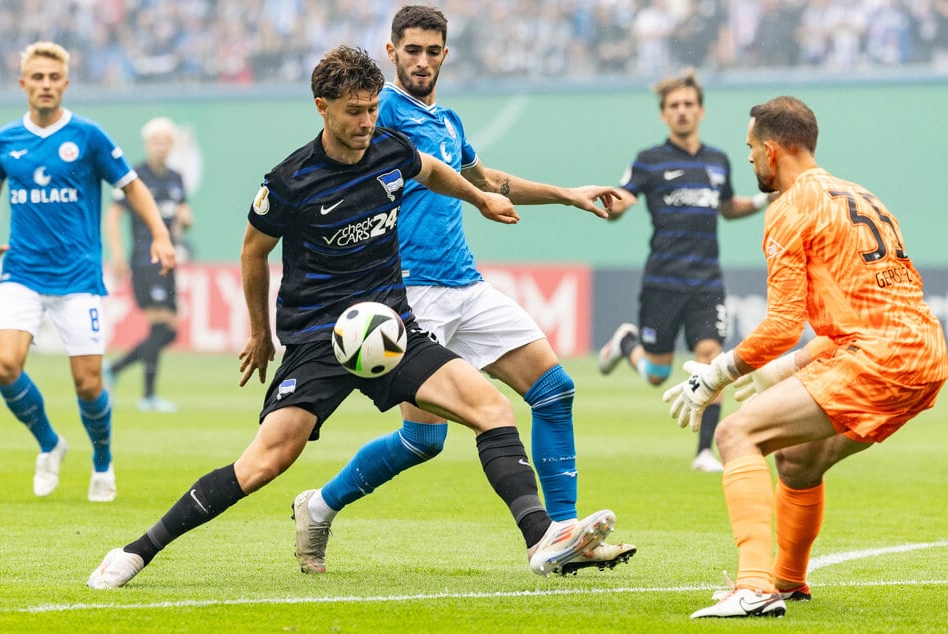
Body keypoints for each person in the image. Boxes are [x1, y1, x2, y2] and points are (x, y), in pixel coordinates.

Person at [87, 45, 618, 589]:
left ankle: (541, 539)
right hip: (319, 337)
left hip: (391, 329)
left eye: (370, 109)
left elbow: (433, 170)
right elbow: (252, 252)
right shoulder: (290, 181)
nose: (366, 122)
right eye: (353, 112)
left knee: (492, 408)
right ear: (323, 107)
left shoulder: (389, 148)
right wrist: (259, 332)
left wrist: (479, 199)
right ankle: (137, 551)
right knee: (264, 463)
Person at [294, 5, 635, 578]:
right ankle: (320, 504)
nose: (422, 61)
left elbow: (486, 181)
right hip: (408, 295)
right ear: (391, 52)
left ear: (445, 55)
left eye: (432, 51)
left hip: (466, 286)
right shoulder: (380, 119)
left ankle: (565, 533)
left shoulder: (448, 122)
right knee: (422, 440)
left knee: (554, 389)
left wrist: (566, 193)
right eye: (411, 51)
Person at [661, 95, 947, 618]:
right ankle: (788, 580)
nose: (748, 159)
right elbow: (860, 312)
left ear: (772, 150)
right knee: (797, 459)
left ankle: (752, 587)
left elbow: (780, 326)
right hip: (925, 354)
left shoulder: (789, 207)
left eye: (751, 148)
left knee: (735, 434)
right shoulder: (863, 195)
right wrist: (782, 368)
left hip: (879, 355)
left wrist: (716, 376)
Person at [0, 42, 175, 502]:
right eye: (37, 77)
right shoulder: (6, 142)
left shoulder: (89, 135)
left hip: (77, 277)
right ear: (23, 85)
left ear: (66, 84)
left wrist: (159, 234)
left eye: (54, 78)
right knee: (3, 365)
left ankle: (102, 461)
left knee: (88, 381)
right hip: (21, 272)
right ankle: (50, 444)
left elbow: (131, 187)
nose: (45, 85)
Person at [596, 68, 774, 473]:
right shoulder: (649, 161)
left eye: (688, 105)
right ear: (664, 115)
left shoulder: (718, 161)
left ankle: (704, 453)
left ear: (701, 111)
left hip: (707, 282)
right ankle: (627, 343)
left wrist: (765, 200)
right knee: (657, 374)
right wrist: (614, 208)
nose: (682, 112)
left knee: (713, 361)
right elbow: (622, 199)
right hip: (662, 281)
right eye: (674, 106)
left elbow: (728, 208)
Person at [104, 116, 193, 414]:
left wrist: (184, 219)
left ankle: (114, 369)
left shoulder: (175, 178)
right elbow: (114, 216)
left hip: (167, 260)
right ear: (147, 144)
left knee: (170, 330)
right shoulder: (134, 177)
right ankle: (148, 395)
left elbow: (182, 212)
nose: (161, 147)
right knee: (159, 326)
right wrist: (116, 254)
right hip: (144, 259)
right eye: (156, 141)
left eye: (166, 142)